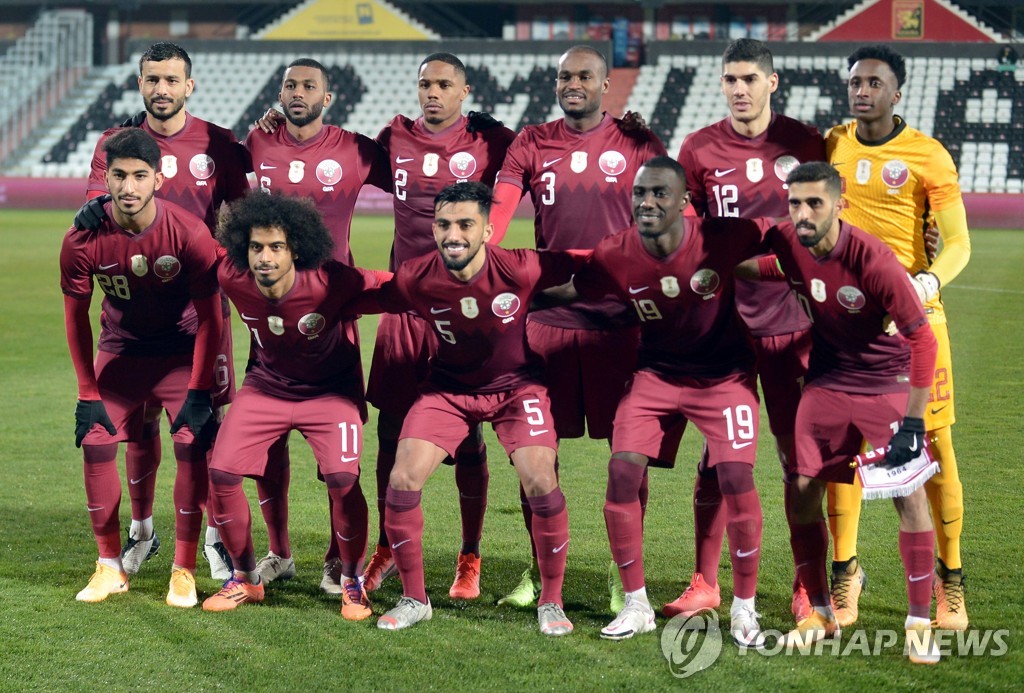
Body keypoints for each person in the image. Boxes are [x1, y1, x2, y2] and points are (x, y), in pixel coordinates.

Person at [560, 156, 770, 647]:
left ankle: (744, 609)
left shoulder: (725, 235)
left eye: (659, 193)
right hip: (656, 375)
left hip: (725, 377)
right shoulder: (616, 250)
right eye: (640, 193)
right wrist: (501, 290)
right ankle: (636, 605)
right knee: (622, 472)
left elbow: (791, 237)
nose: (647, 202)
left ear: (684, 202)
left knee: (736, 478)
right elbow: (573, 287)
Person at [490, 45, 667, 609]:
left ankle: (625, 576)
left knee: (628, 457)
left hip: (621, 324)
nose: (573, 83)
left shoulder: (638, 142)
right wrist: (482, 257)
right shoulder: (531, 142)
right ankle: (540, 572)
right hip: (547, 319)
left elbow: (674, 219)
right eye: (565, 75)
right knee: (535, 456)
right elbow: (498, 215)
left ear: (606, 84)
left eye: (584, 76)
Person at [369, 182, 582, 635]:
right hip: (447, 389)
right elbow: (368, 295)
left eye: (465, 224)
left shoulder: (521, 267)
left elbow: (589, 264)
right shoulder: (416, 276)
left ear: (487, 230)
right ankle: (415, 599)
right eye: (443, 224)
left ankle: (551, 600)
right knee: (402, 479)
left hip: (516, 389)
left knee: (541, 480)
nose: (453, 235)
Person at [77, 42, 249, 580]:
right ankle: (143, 531)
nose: (162, 89)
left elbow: (243, 221)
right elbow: (95, 208)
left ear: (189, 85)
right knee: (139, 424)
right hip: (130, 314)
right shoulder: (116, 144)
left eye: (172, 80)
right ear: (140, 83)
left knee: (206, 426)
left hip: (199, 312)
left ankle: (215, 539)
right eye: (152, 79)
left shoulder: (219, 144)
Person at [759, 161, 940, 664]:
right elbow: (758, 257)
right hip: (828, 379)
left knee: (908, 495)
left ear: (840, 205)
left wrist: (913, 421)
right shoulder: (787, 240)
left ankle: (919, 622)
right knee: (800, 492)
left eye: (815, 203)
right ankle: (820, 613)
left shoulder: (873, 260)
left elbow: (923, 340)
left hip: (885, 381)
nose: (803, 213)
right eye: (795, 203)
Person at [675, 38, 825, 624]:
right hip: (725, 327)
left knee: (797, 459)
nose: (739, 89)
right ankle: (705, 581)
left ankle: (807, 584)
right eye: (730, 79)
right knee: (720, 457)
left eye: (749, 79)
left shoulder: (805, 143)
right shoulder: (699, 148)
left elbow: (825, 225)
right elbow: (689, 231)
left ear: (772, 81)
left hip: (792, 323)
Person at [825, 44, 972, 630]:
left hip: (914, 320)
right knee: (843, 449)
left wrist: (924, 282)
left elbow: (957, 243)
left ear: (897, 93)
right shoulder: (831, 144)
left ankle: (950, 580)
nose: (862, 91)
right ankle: (845, 573)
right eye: (855, 82)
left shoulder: (928, 155)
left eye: (874, 83)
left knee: (936, 447)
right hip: (845, 322)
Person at [361, 52, 517, 598]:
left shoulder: (490, 142)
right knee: (389, 434)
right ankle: (386, 546)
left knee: (468, 438)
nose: (432, 92)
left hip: (463, 314)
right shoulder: (395, 137)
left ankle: (469, 556)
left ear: (464, 91)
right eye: (425, 83)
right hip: (406, 309)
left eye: (444, 84)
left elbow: (542, 156)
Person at [201, 192, 388, 618]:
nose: (264, 257)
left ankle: (352, 582)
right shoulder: (232, 276)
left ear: (296, 250)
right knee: (222, 473)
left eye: (276, 247)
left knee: (343, 480)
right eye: (256, 247)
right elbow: (186, 241)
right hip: (266, 388)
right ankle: (246, 579)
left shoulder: (330, 280)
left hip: (329, 393)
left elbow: (391, 286)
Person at [244, 57, 391, 593]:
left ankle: (336, 557)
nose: (298, 92)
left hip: (333, 315)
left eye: (309, 86)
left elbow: (419, 182)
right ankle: (279, 552)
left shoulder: (355, 150)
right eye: (290, 84)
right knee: (267, 444)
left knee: (338, 452)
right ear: (279, 92)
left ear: (327, 98)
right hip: (271, 316)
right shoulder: (257, 143)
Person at [60, 127, 221, 607]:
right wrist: (87, 391)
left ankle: (184, 569)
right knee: (95, 441)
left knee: (191, 442)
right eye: (118, 176)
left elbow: (212, 320)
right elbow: (75, 319)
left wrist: (198, 390)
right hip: (122, 351)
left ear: (158, 178)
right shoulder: (82, 239)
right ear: (105, 178)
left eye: (138, 176)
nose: (128, 187)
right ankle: (109, 565)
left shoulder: (189, 233)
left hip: (179, 352)